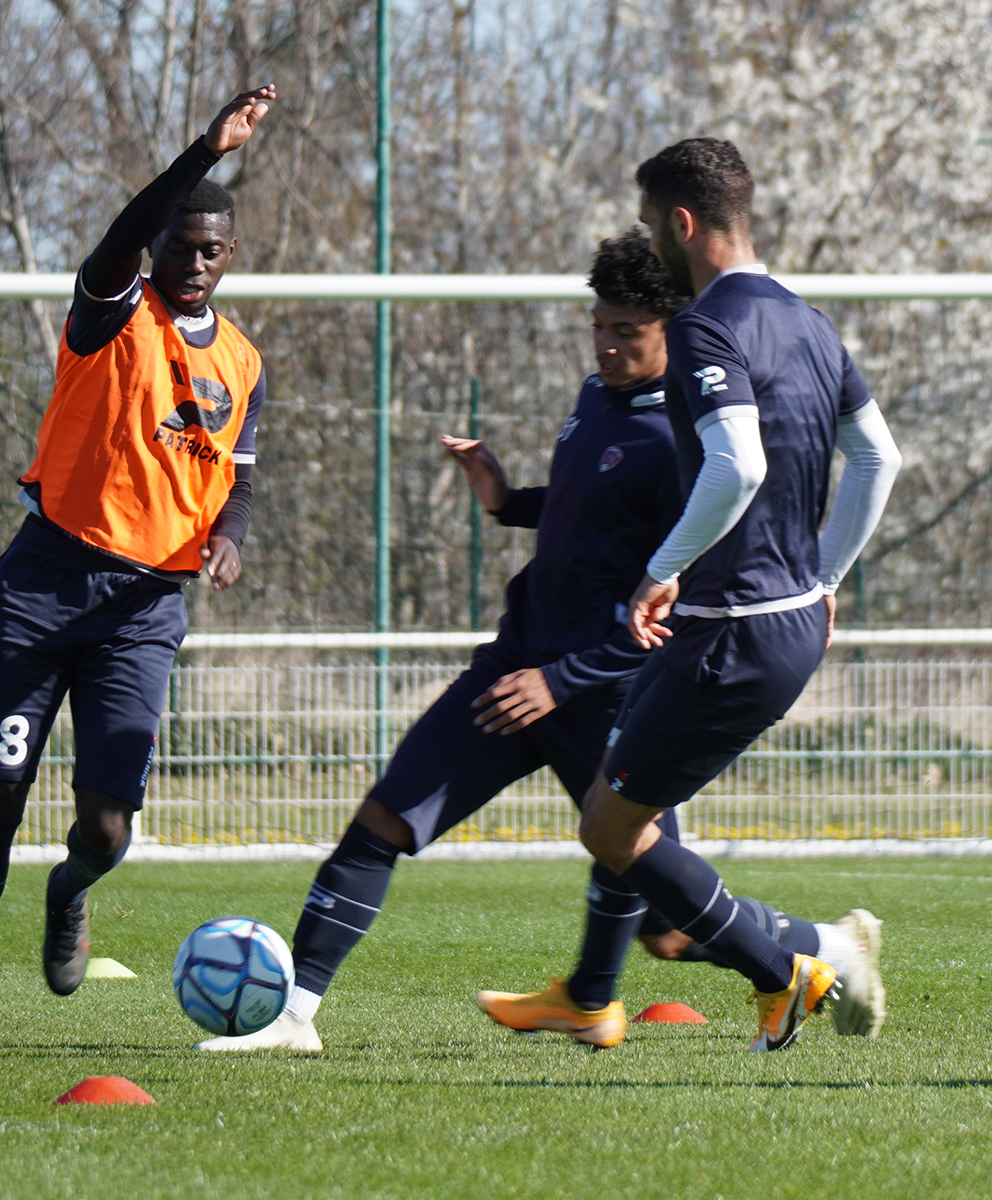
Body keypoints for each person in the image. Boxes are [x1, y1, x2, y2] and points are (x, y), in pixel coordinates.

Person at [197, 230, 874, 1053]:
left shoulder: (690, 443)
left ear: (676, 330)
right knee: (384, 818)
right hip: (511, 668)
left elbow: (672, 601)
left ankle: (813, 955)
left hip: (603, 692)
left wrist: (564, 680)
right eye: (600, 324)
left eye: (629, 330)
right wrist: (505, 499)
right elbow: (588, 508)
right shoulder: (596, 397)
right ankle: (294, 1016)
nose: (608, 342)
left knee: (662, 923)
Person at [527, 137, 900, 1054]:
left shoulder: (704, 325)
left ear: (683, 224)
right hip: (774, 624)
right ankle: (626, 984)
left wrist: (662, 567)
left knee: (612, 828)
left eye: (653, 227)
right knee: (627, 813)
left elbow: (739, 463)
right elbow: (878, 460)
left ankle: (800, 962)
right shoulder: (811, 323)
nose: (649, 246)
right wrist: (825, 577)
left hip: (731, 631)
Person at [0, 85, 277, 1048]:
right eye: (179, 244)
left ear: (231, 256)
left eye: (211, 249)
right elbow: (125, 235)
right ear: (156, 244)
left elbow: (237, 483)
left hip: (144, 607)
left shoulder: (242, 365)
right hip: (45, 582)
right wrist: (203, 154)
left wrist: (229, 536)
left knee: (111, 826)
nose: (193, 262)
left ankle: (71, 889)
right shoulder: (110, 313)